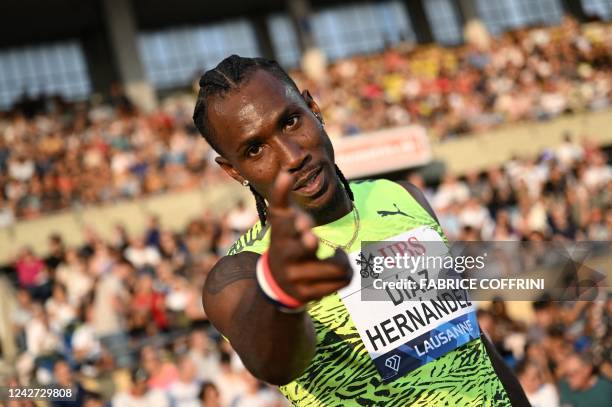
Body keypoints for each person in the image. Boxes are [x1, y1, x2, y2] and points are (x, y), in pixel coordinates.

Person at [193, 55, 529, 406]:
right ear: (234, 170)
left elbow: (470, 340)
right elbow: (275, 363)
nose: (291, 157)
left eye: (291, 122)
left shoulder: (401, 197)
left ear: (314, 108)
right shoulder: (240, 273)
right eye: (255, 149)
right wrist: (283, 295)